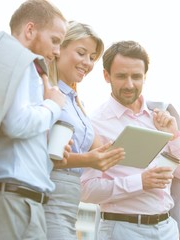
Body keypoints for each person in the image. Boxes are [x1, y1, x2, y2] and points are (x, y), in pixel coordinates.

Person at [0, 0, 70, 239]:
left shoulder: (14, 66)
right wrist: (53, 106)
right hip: (11, 201)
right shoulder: (20, 62)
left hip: (22, 201)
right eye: (55, 40)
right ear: (30, 30)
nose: (57, 51)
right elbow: (17, 123)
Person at [80, 40, 180, 240]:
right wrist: (140, 182)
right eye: (122, 76)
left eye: (136, 77)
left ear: (145, 76)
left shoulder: (160, 116)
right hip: (122, 229)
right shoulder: (95, 124)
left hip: (166, 230)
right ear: (107, 76)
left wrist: (174, 136)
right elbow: (86, 190)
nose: (130, 84)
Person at [45, 21, 125, 240]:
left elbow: (101, 147)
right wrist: (88, 160)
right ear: (59, 48)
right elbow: (45, 155)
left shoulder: (75, 102)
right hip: (50, 196)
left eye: (92, 57)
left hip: (70, 205)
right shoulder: (47, 92)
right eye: (81, 53)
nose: (87, 63)